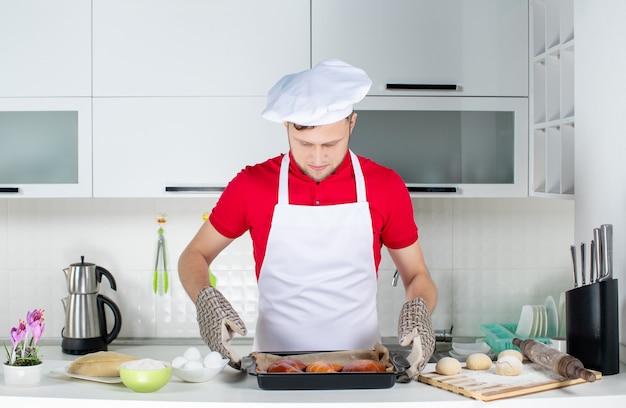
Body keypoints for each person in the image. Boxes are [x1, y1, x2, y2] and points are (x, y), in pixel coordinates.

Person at [178, 59, 437, 381]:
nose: (317, 158)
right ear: (286, 127)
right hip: (275, 367)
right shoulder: (252, 184)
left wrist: (419, 310)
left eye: (330, 144)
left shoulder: (384, 186)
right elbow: (194, 255)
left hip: (362, 365)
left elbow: (416, 274)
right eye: (305, 144)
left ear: (352, 124)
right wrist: (206, 298)